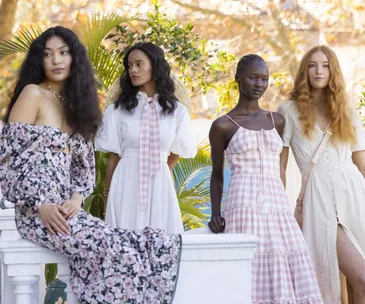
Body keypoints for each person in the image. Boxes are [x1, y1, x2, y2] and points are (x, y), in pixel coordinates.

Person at [0, 26, 181, 304]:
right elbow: (8, 161)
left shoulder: (76, 106)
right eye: (48, 54)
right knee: (112, 247)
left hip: (68, 211)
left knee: (134, 243)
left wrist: (76, 197)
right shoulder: (32, 94)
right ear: (40, 60)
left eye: (63, 53)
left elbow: (82, 169)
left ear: (75, 59)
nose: (56, 61)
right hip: (38, 214)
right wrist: (40, 205)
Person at [208, 54, 323, 303]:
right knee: (249, 266)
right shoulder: (222, 126)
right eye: (252, 77)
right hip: (242, 205)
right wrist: (215, 213)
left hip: (277, 205)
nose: (259, 84)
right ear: (238, 78)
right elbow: (216, 175)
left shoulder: (277, 121)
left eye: (264, 79)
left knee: (286, 262)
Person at [278, 45, 365, 304]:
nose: (318, 70)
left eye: (325, 65)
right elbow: (279, 167)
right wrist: (279, 207)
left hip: (353, 195)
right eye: (313, 65)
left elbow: (360, 159)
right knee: (360, 276)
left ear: (333, 71)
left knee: (355, 283)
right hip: (318, 201)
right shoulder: (289, 111)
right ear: (305, 70)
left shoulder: (347, 111)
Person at [95, 42, 197, 233]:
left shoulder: (177, 112)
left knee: (162, 240)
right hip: (125, 180)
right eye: (129, 66)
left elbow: (175, 154)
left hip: (160, 183)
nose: (133, 70)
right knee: (124, 238)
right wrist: (108, 193)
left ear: (155, 67)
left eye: (139, 64)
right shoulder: (117, 111)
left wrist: (157, 173)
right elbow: (113, 158)